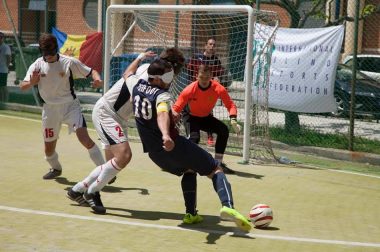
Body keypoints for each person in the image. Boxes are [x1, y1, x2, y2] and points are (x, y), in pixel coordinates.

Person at [129, 58, 251, 232]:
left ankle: (191, 214)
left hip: (155, 154)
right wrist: (165, 134)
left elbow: (127, 74)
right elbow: (162, 113)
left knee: (189, 169)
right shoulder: (161, 95)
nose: (168, 83)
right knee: (215, 169)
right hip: (172, 144)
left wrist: (139, 58)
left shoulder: (135, 84)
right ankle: (228, 206)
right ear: (157, 78)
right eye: (166, 80)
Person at [66, 50, 156, 214]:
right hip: (107, 113)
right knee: (124, 156)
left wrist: (139, 57)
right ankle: (92, 192)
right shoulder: (141, 83)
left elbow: (128, 72)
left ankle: (77, 190)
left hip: (117, 118)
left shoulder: (141, 74)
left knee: (112, 165)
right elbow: (135, 101)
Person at [19, 33, 105, 180]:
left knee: (84, 138)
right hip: (49, 110)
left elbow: (92, 71)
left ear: (56, 49)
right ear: (42, 51)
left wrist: (97, 80)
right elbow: (23, 86)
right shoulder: (37, 65)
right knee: (48, 149)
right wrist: (32, 82)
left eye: (52, 53)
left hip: (70, 106)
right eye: (46, 53)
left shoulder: (69, 62)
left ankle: (105, 170)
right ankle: (56, 168)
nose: (49, 56)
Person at [187, 38, 227, 147]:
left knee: (208, 110)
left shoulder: (216, 60)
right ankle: (191, 135)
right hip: (195, 89)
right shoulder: (197, 58)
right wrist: (191, 84)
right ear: (205, 46)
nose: (212, 46)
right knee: (191, 112)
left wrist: (218, 78)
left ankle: (210, 137)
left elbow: (219, 74)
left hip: (208, 90)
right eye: (210, 44)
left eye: (214, 45)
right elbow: (189, 71)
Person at [0, 32, 11, 102]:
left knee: (3, 86)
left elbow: (9, 58)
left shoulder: (5, 47)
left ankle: (5, 101)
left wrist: (7, 67)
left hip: (3, 70)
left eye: (1, 38)